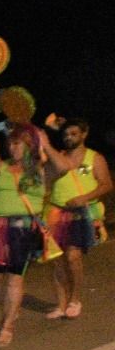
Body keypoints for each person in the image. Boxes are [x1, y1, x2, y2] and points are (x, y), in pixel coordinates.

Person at [0, 124, 53, 345]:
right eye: (11, 143)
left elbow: (62, 167)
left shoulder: (40, 167)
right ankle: (11, 309)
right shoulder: (1, 166)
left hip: (24, 227)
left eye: (18, 143)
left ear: (29, 146)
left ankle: (7, 327)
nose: (13, 147)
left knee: (15, 278)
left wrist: (45, 143)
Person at [44, 118, 111, 319]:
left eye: (74, 134)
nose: (69, 137)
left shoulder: (94, 158)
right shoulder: (59, 157)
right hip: (56, 213)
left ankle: (75, 299)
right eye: (66, 134)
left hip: (80, 214)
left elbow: (106, 184)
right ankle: (61, 303)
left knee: (73, 257)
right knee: (57, 260)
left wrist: (84, 198)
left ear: (84, 134)